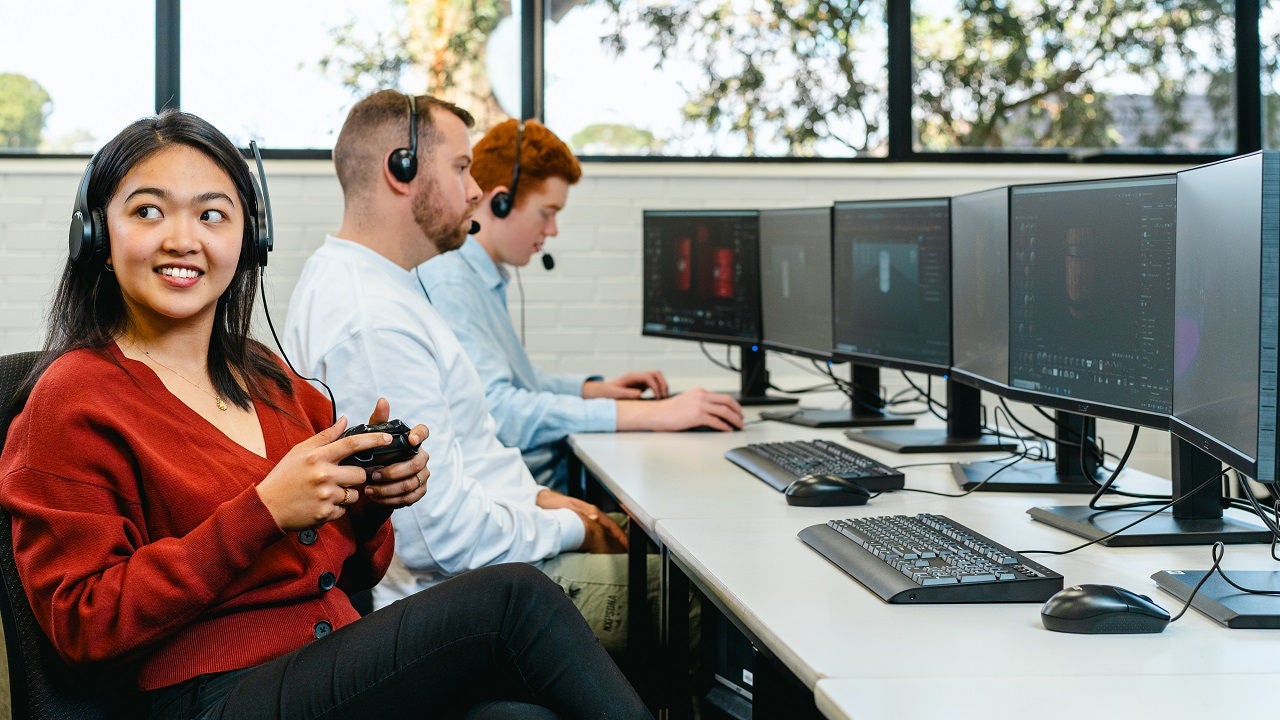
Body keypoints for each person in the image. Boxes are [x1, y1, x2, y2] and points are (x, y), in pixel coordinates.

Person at [0, 109, 651, 720]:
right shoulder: (72, 396)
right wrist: (262, 512)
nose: (183, 238)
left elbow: (357, 569)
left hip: (325, 660)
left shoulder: (269, 378)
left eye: (212, 215)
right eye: (148, 211)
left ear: (249, 239)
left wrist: (373, 505)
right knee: (515, 597)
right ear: (96, 237)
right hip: (204, 696)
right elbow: (81, 621)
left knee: (522, 717)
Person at [283, 90, 659, 654]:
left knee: (664, 555)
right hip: (457, 598)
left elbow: (462, 467)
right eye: (461, 168)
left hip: (485, 563)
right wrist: (570, 527)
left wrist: (538, 503)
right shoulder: (374, 321)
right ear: (401, 170)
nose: (478, 190)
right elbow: (438, 538)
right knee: (702, 602)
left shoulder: (385, 285)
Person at [417, 119, 744, 491]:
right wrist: (651, 413)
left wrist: (591, 389)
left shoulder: (480, 277)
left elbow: (517, 380)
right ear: (501, 203)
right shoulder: (452, 282)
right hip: (526, 498)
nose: (553, 229)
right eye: (547, 212)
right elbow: (501, 410)